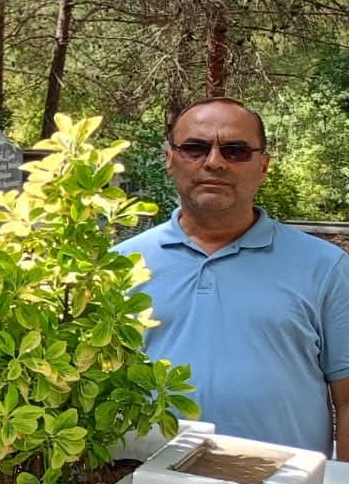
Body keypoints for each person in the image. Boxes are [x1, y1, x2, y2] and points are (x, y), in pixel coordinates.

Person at [122, 98, 349, 456]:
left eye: (236, 151)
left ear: (264, 165)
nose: (214, 162)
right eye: (195, 148)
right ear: (169, 159)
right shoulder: (119, 265)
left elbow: (347, 400)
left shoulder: (327, 268)